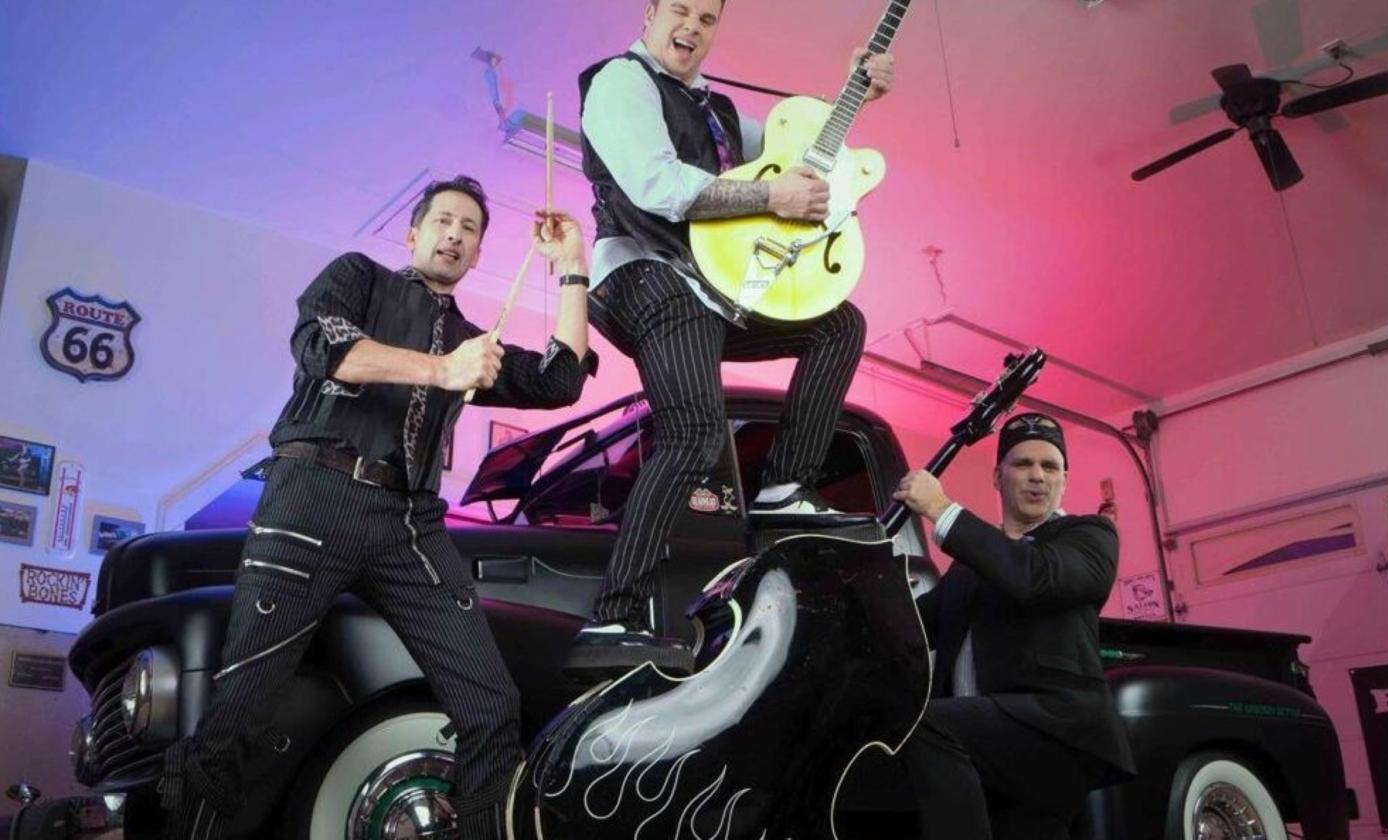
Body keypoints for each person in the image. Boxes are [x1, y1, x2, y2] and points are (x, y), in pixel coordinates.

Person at [159, 176, 596, 840]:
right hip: (314, 498)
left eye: (470, 228)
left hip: (409, 525)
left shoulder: (471, 340)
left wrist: (571, 268)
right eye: (443, 220)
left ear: (478, 254)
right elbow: (326, 350)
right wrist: (443, 370)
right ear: (413, 232)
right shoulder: (357, 277)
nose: (455, 234)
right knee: (243, 707)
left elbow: (560, 380)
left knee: (491, 703)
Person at [569, 0, 896, 676]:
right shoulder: (621, 82)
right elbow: (658, 186)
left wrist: (854, 92)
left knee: (839, 324)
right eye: (679, 10)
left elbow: (796, 158)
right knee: (694, 432)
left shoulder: (718, 114)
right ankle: (613, 617)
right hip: (644, 275)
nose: (690, 27)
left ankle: (784, 486)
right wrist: (769, 201)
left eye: (707, 18)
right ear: (652, 12)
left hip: (709, 290)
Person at [892, 413, 1136, 839]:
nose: (1037, 476)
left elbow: (1032, 576)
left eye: (1050, 466)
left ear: (1065, 480)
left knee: (925, 722)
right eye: (1023, 464)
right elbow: (908, 628)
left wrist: (941, 509)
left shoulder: (1091, 536)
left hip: (1056, 732)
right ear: (997, 476)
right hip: (983, 753)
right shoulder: (969, 570)